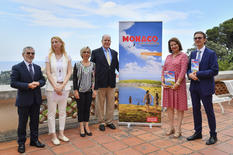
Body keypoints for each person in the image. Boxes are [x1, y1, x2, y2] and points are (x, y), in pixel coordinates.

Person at [10, 46, 46, 153]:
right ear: (23, 54)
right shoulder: (17, 67)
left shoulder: (37, 67)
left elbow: (43, 80)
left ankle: (34, 141)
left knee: (35, 122)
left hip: (36, 100)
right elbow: (13, 83)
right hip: (23, 101)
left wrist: (39, 83)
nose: (31, 55)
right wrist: (27, 85)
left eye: (33, 53)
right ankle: (21, 143)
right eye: (28, 53)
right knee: (22, 123)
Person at [187, 31, 219, 145]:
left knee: (209, 111)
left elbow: (214, 70)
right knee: (196, 111)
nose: (197, 40)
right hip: (194, 88)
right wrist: (190, 74)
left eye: (199, 38)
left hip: (205, 87)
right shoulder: (192, 53)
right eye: (195, 38)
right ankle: (198, 132)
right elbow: (188, 69)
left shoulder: (211, 53)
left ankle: (213, 135)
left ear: (204, 39)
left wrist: (198, 74)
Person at [45, 36, 72, 145]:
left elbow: (69, 72)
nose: (54, 44)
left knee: (62, 112)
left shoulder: (67, 56)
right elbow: (48, 73)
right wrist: (56, 86)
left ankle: (61, 133)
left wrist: (62, 85)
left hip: (65, 88)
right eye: (52, 42)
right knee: (51, 113)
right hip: (52, 89)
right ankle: (53, 135)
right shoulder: (48, 56)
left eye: (56, 42)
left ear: (61, 43)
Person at [91, 34, 119, 131]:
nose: (107, 42)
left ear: (111, 42)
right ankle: (101, 122)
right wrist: (92, 83)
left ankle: (109, 121)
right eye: (105, 40)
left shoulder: (115, 53)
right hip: (100, 82)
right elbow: (91, 68)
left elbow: (118, 67)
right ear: (101, 41)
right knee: (100, 103)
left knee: (111, 103)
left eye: (109, 40)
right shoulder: (95, 52)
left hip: (111, 82)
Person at [162, 37, 188, 138]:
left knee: (179, 108)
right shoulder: (168, 56)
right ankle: (171, 127)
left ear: (178, 44)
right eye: (171, 45)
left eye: (175, 44)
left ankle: (178, 129)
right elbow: (164, 69)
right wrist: (162, 80)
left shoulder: (184, 56)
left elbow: (183, 70)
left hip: (179, 86)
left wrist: (177, 83)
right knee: (169, 107)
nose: (173, 46)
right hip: (168, 86)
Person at [73, 46, 96, 137]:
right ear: (81, 54)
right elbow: (74, 78)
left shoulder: (93, 65)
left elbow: (94, 79)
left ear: (90, 54)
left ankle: (87, 126)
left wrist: (94, 90)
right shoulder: (77, 65)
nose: (86, 54)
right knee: (81, 109)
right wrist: (75, 90)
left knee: (87, 109)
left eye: (88, 52)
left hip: (89, 91)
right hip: (80, 91)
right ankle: (81, 127)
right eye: (84, 52)